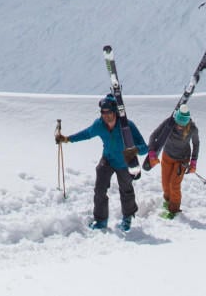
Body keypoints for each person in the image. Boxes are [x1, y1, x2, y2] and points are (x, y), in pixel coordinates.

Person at [56, 95, 151, 231]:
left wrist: (135, 150)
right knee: (99, 189)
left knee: (126, 191)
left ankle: (127, 219)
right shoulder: (99, 124)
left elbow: (145, 148)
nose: (106, 116)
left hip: (124, 163)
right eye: (103, 112)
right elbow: (86, 134)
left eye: (109, 112)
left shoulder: (127, 126)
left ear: (115, 112)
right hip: (107, 159)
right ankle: (101, 221)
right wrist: (67, 139)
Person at [147, 104, 200, 219]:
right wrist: (151, 152)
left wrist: (193, 163)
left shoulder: (193, 128)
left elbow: (196, 144)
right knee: (166, 183)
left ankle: (174, 210)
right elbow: (153, 135)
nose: (180, 126)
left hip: (182, 160)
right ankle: (168, 203)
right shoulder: (169, 123)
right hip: (167, 156)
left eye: (183, 124)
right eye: (178, 123)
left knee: (174, 184)